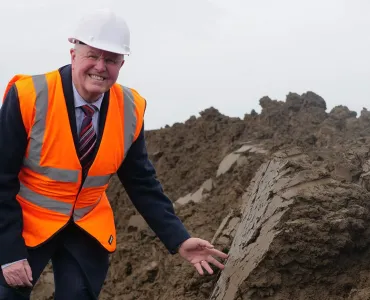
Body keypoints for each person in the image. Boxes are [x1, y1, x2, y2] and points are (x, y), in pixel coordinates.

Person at [0, 8, 228, 300]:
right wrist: (8, 253)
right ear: (73, 54)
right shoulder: (28, 96)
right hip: (27, 221)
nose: (100, 66)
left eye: (111, 59)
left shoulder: (130, 108)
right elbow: (2, 178)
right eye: (92, 55)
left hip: (86, 225)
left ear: (122, 63)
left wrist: (179, 239)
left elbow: (142, 182)